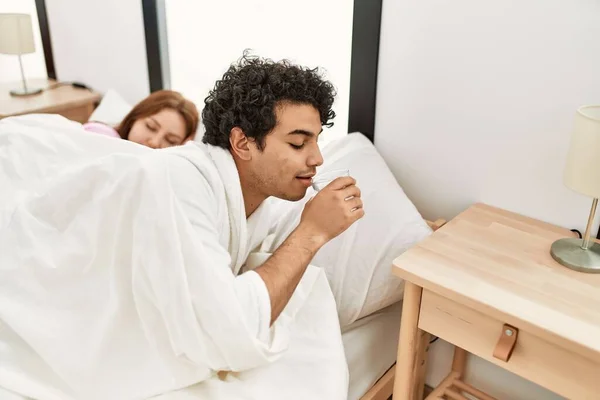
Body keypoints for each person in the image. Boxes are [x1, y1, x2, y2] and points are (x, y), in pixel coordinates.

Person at [0, 54, 364, 399]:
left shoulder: (258, 207)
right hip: (41, 287)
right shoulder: (178, 180)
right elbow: (227, 329)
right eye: (298, 142)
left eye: (316, 141)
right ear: (242, 143)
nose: (316, 158)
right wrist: (311, 233)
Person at [83, 89, 199, 148]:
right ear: (134, 118)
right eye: (150, 127)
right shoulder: (100, 134)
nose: (154, 143)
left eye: (171, 141)